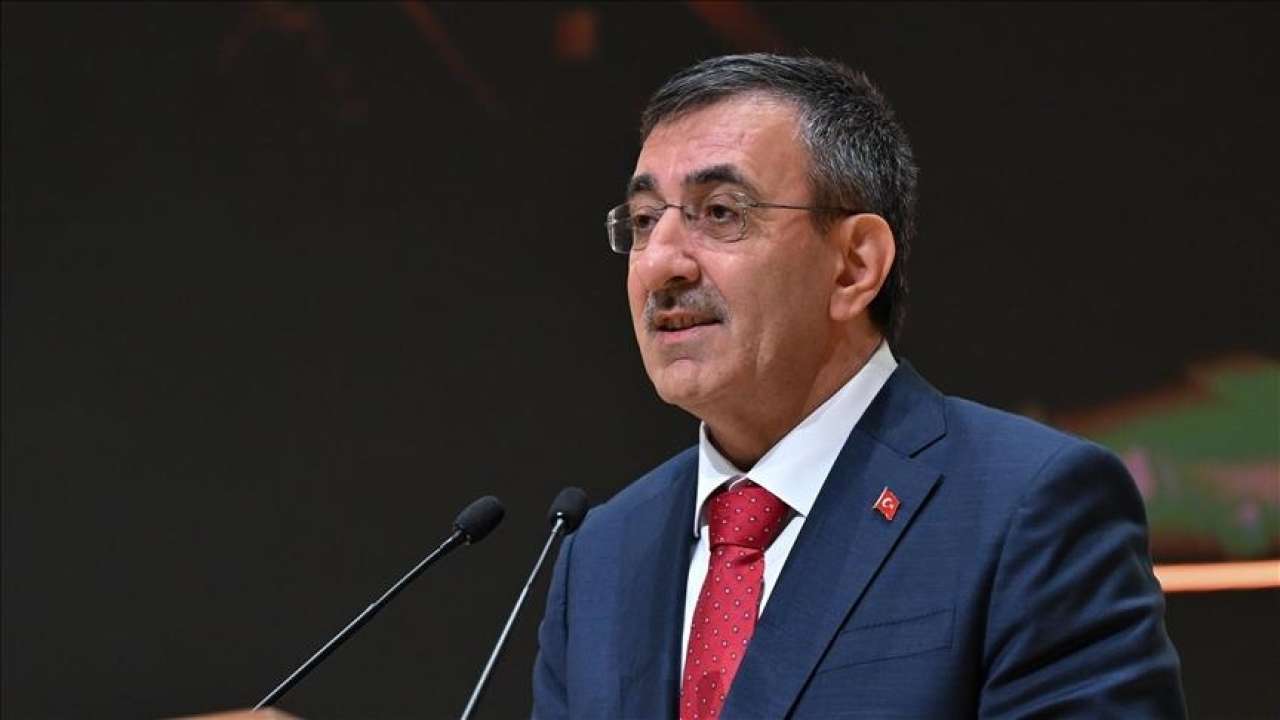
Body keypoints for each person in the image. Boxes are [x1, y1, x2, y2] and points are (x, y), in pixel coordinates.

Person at [532, 54, 1185, 719]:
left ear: (853, 266)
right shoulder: (601, 555)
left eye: (721, 212)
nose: (660, 264)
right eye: (645, 220)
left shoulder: (1031, 507)